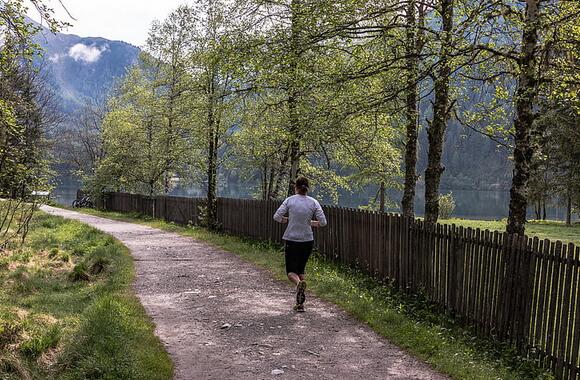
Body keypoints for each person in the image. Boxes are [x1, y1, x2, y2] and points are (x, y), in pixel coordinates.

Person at [273, 177, 327, 312]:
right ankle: (300, 304)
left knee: (291, 272)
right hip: (307, 241)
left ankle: (298, 284)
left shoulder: (290, 200)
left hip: (292, 239)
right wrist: (312, 223)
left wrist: (286, 220)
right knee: (300, 271)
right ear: (308, 188)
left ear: (295, 187)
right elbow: (323, 222)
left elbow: (277, 217)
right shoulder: (313, 202)